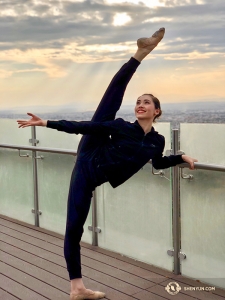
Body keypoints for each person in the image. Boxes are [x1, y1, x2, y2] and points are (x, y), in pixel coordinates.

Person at [17, 28, 197, 300]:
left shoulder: (156, 141)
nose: (140, 105)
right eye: (138, 102)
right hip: (88, 158)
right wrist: (46, 123)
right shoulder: (122, 126)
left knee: (75, 228)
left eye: (146, 103)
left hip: (93, 176)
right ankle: (140, 53)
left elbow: (158, 163)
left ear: (156, 111)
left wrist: (181, 157)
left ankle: (77, 290)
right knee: (111, 99)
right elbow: (83, 126)